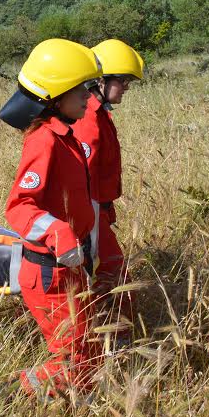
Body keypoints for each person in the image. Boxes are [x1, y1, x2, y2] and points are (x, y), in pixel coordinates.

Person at [0, 38, 103, 398]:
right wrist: (58, 231)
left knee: (87, 357)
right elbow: (19, 205)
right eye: (82, 91)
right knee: (75, 362)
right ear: (55, 96)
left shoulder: (67, 137)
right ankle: (5, 396)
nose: (89, 99)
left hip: (70, 267)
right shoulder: (44, 140)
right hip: (49, 274)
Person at [73, 39, 144, 341]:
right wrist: (91, 228)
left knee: (107, 275)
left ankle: (108, 337)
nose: (127, 86)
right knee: (114, 274)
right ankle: (119, 341)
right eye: (123, 79)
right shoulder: (89, 119)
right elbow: (81, 178)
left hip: (99, 210)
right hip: (90, 214)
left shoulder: (99, 114)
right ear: (100, 79)